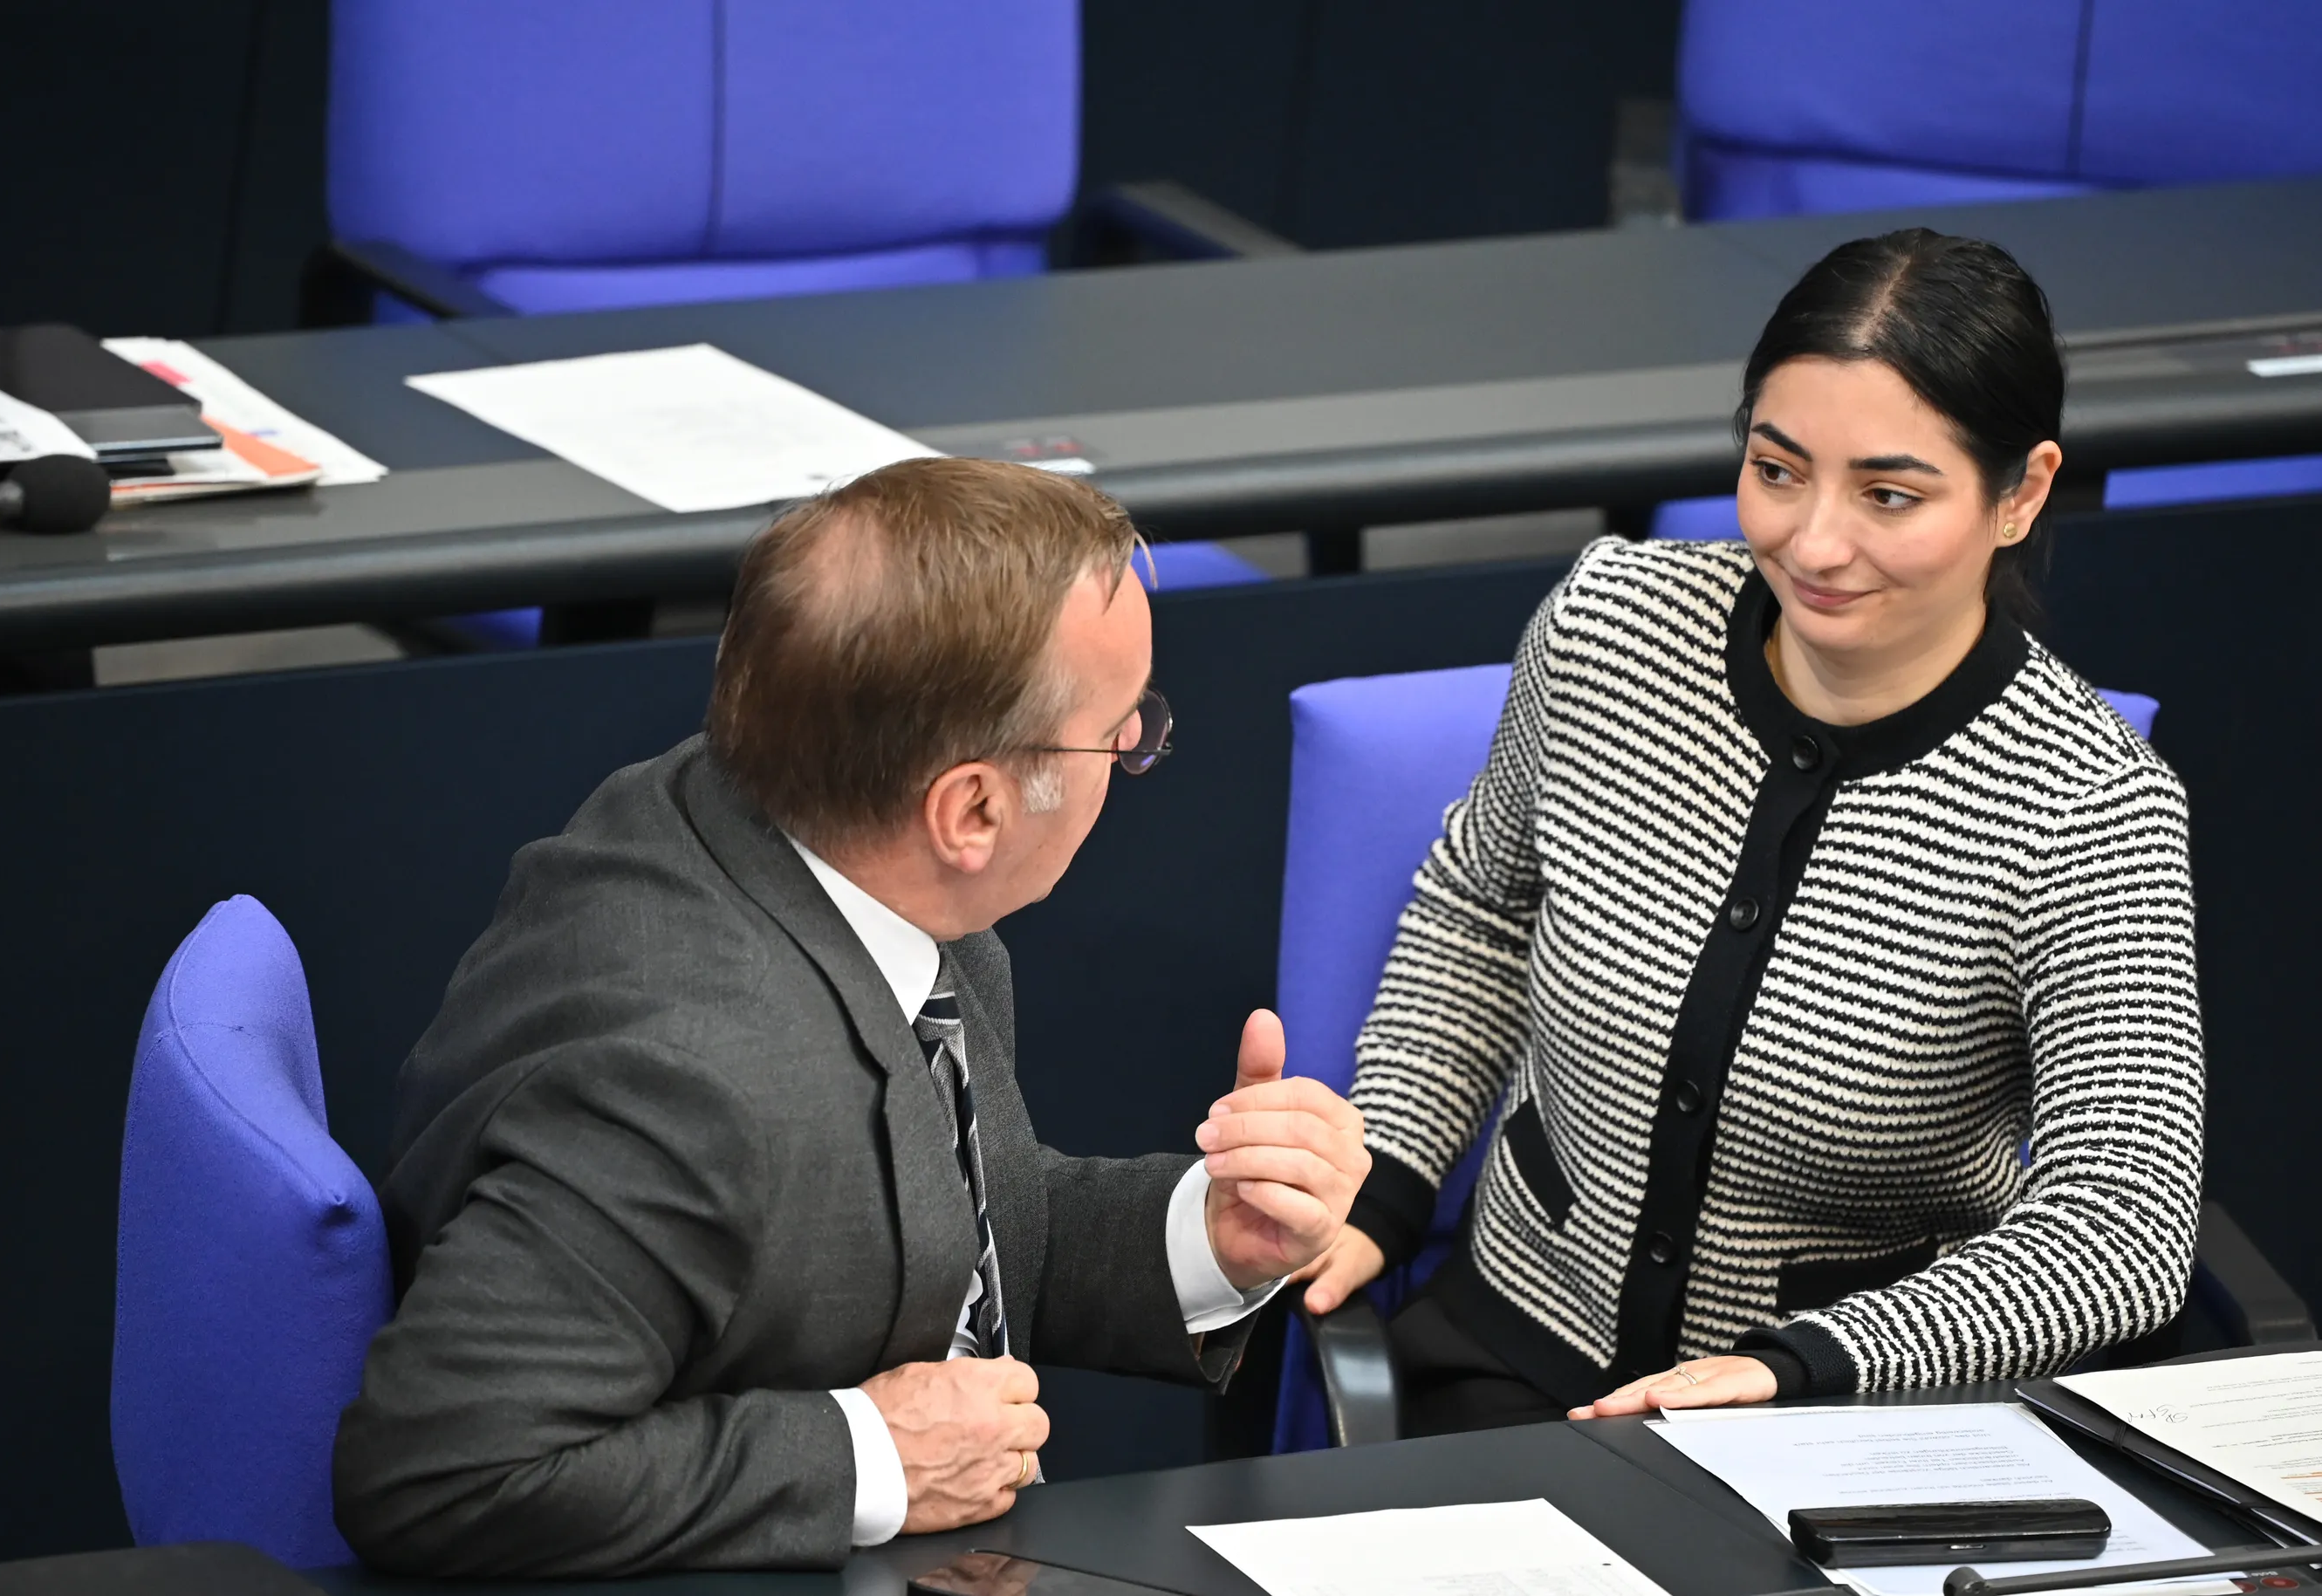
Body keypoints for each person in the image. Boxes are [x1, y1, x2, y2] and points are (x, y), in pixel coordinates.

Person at [332, 458, 1369, 1575]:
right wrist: (869, 1454)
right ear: (970, 807)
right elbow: (441, 1470)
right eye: (1124, 728)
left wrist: (1210, 1236)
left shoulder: (783, 824)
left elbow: (929, 1224)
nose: (1132, 751)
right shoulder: (676, 1091)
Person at [1294, 229, 2203, 1432]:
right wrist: (1391, 1175)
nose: (1813, 543)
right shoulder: (1608, 625)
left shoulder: (2092, 808)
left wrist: (1804, 1361)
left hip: (1845, 1419)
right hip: (1516, 1358)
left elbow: (2123, 1222)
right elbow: (1483, 908)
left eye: (1888, 494)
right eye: (1777, 470)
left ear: (2022, 491)